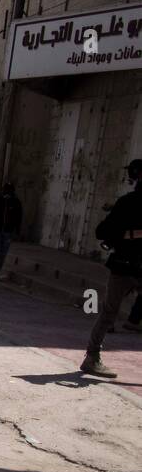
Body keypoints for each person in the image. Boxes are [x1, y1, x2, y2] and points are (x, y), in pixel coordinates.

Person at [81, 159, 142, 378]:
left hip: (124, 265)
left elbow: (103, 231)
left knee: (108, 313)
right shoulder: (129, 202)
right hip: (126, 265)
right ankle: (91, 358)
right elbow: (103, 232)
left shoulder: (127, 201)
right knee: (108, 313)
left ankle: (92, 357)